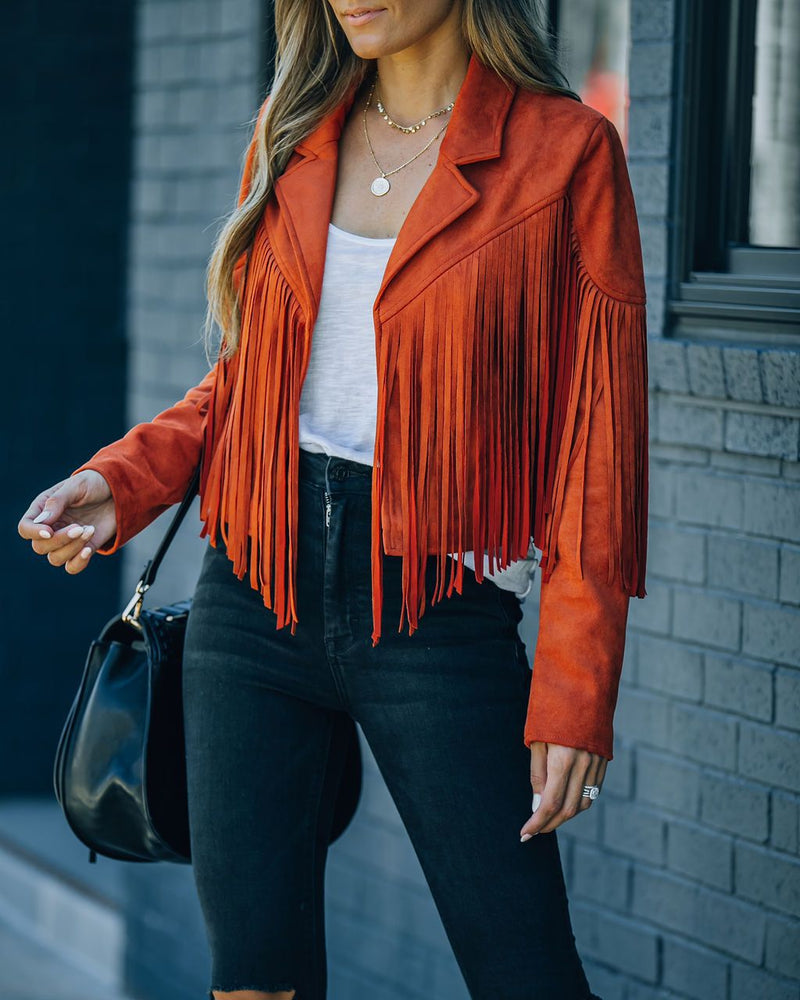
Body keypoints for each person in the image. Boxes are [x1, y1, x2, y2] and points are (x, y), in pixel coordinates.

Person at [18, 1, 649, 997]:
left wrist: (576, 687)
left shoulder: (563, 154)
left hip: (434, 608)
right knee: (253, 976)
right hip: (251, 598)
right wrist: (120, 480)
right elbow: (245, 383)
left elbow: (596, 444)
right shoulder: (291, 132)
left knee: (522, 969)